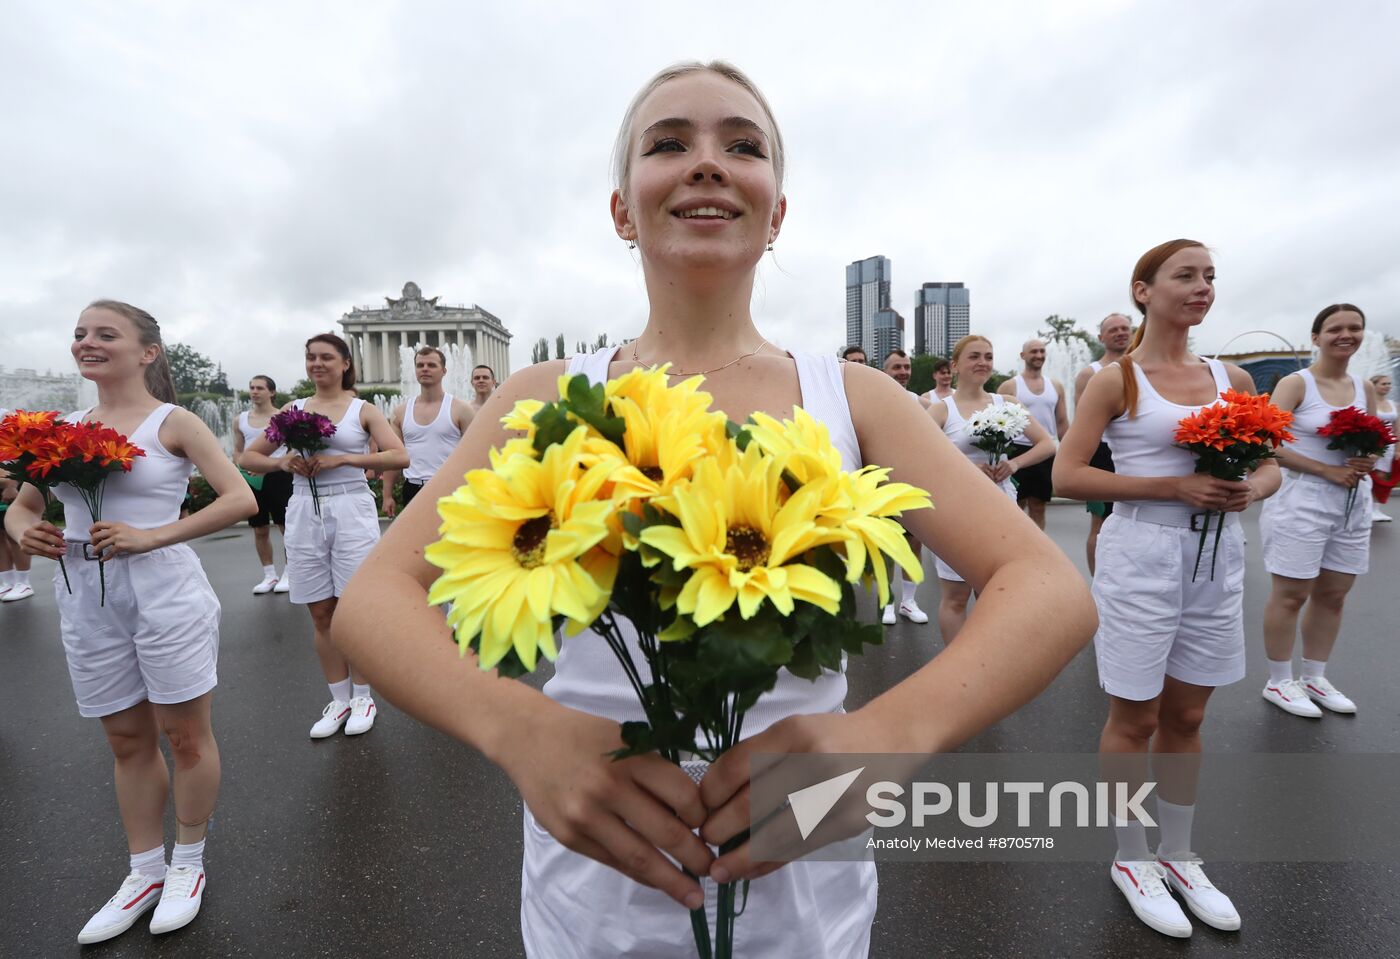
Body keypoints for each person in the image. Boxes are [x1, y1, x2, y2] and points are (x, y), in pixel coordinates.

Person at [331, 60, 1095, 958]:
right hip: (596, 877)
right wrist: (520, 728)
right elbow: (375, 597)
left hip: (802, 874)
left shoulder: (851, 396)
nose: (706, 161)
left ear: (777, 214)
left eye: (743, 146)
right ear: (622, 210)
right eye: (668, 144)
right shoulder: (543, 395)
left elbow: (1047, 588)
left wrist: (884, 735)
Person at [5, 300, 256, 943]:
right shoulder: (60, 428)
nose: (86, 342)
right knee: (124, 739)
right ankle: (144, 871)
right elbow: (22, 506)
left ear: (147, 352)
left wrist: (152, 536)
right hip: (84, 590)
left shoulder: (175, 422)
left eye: (105, 334)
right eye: (79, 334)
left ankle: (188, 863)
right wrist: (26, 529)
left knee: (185, 735)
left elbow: (240, 499)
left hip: (163, 587)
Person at [1056, 240, 1280, 939]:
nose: (1202, 286)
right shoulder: (1116, 380)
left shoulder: (1231, 376)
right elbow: (1068, 475)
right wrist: (1173, 487)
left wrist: (1249, 489)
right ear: (1143, 290)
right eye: (1186, 275)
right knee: (1136, 718)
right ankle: (1132, 858)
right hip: (1141, 555)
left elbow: (1271, 466)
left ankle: (1179, 855)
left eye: (1210, 276)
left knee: (1187, 717)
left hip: (1216, 557)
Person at [239, 333, 408, 739]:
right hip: (303, 507)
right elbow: (249, 457)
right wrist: (284, 464)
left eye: (326, 357)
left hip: (350, 506)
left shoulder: (362, 410)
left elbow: (399, 455)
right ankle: (339, 700)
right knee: (321, 611)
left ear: (345, 363)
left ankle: (363, 697)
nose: (317, 363)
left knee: (354, 609)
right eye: (311, 357)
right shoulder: (293, 410)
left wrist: (345, 459)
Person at [1258, 305, 1380, 718]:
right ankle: (1279, 680)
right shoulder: (1297, 384)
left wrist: (1367, 459)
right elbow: (1267, 443)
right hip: (1302, 498)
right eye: (1335, 328)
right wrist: (1325, 470)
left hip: (1351, 500)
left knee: (1334, 594)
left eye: (1355, 328)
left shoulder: (1364, 386)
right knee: (1292, 594)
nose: (1346, 335)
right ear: (1316, 337)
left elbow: (1375, 440)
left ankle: (1314, 676)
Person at [927, 335, 1054, 642]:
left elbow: (1047, 444)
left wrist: (1014, 464)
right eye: (974, 357)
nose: (982, 362)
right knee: (956, 597)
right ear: (955, 365)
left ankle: (990, 658)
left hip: (1001, 506)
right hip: (958, 510)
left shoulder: (1006, 404)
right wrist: (968, 469)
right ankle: (958, 662)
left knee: (995, 593)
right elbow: (921, 456)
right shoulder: (941, 410)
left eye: (988, 356)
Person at [1074, 313, 1134, 573]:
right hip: (1103, 453)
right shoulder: (1090, 374)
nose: (1120, 333)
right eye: (1113, 330)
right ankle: (1098, 583)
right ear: (1101, 337)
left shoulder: (1144, 368)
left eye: (1124, 328)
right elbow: (1083, 423)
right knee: (1101, 521)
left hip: (1136, 452)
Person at [382, 347, 474, 517]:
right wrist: (387, 495)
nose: (425, 369)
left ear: (444, 371)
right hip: (413, 488)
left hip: (449, 488)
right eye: (420, 365)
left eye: (431, 365)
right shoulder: (400, 412)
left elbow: (472, 455)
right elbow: (393, 457)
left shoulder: (461, 409)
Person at [880, 347, 930, 626]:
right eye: (897, 367)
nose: (903, 372)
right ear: (885, 371)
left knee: (914, 543)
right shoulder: (873, 398)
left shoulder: (919, 402)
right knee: (887, 544)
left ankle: (908, 602)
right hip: (882, 483)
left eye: (906, 367)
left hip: (912, 483)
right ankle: (886, 600)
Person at [233, 375, 293, 594]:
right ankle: (269, 575)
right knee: (259, 528)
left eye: (260, 388)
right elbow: (238, 450)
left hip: (278, 474)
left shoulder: (281, 417)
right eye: (252, 387)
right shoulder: (240, 419)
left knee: (286, 527)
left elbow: (290, 448)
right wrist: (240, 469)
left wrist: (268, 465)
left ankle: (290, 572)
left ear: (272, 392)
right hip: (251, 478)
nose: (254, 391)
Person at [999, 338, 1067, 530]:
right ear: (1023, 356)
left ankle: (1038, 546)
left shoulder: (1056, 386)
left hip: (1044, 453)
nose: (1038, 355)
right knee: (1015, 506)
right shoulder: (1010, 386)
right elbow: (998, 424)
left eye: (1042, 351)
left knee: (1039, 507)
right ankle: (1014, 545)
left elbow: (1062, 422)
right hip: (1016, 450)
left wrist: (1066, 454)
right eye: (1034, 352)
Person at [1, 475, 35, 602]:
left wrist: (11, 484)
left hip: (10, 491)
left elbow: (12, 469)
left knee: (13, 535)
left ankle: (23, 583)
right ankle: (8, 582)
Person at [1369, 373, 1395, 522]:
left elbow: (1397, 427)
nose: (1387, 386)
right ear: (1374, 385)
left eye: (1389, 384)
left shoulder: (1393, 404)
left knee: (1382, 475)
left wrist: (1398, 448)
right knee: (1368, 474)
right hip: (1373, 442)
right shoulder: (1369, 402)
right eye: (1383, 384)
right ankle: (1366, 507)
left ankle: (1376, 508)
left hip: (1389, 444)